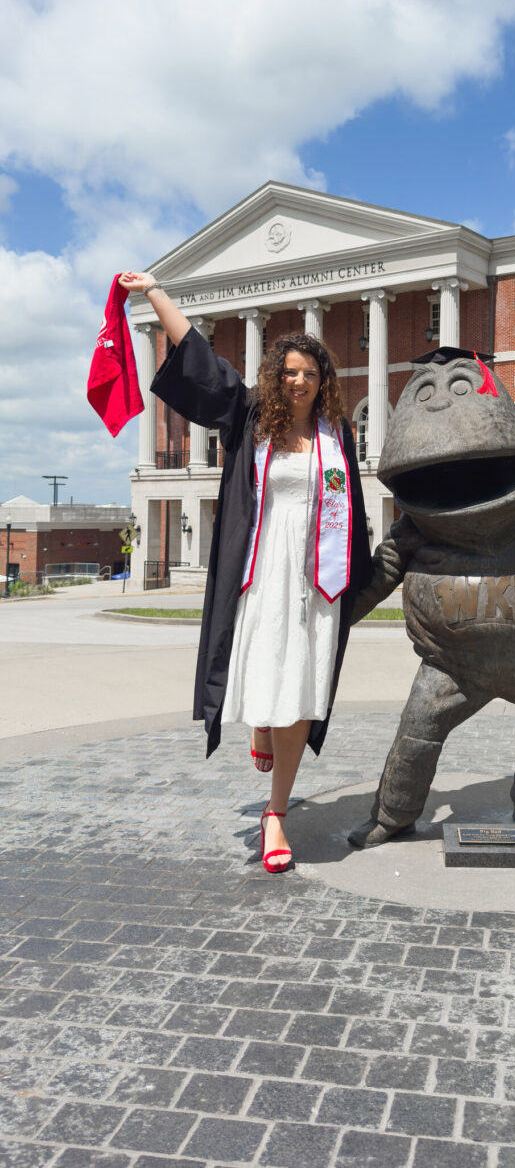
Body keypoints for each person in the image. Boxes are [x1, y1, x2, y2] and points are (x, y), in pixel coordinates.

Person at [118, 272, 372, 872]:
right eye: (290, 372)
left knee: (303, 686)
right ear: (276, 377)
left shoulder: (338, 433)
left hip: (319, 575)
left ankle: (275, 812)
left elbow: (353, 505)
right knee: (267, 669)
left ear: (324, 382)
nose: (299, 381)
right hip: (264, 566)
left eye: (310, 374)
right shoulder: (252, 416)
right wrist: (154, 293)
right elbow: (200, 360)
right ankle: (260, 722)